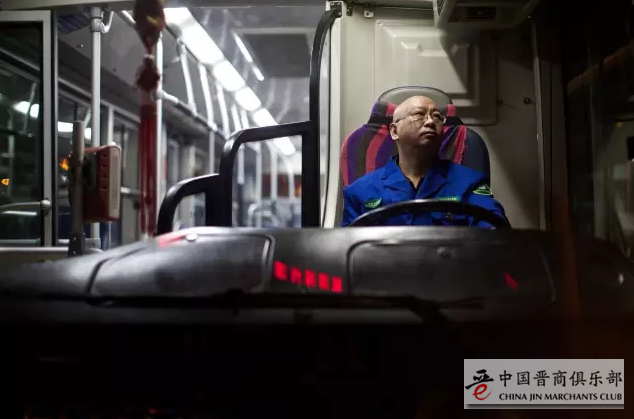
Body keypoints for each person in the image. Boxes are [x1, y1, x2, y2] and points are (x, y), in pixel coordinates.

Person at [341, 95, 508, 228]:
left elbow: (496, 231)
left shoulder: (470, 183)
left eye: (437, 117)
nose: (430, 122)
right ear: (394, 131)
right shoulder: (359, 192)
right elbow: (347, 249)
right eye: (419, 115)